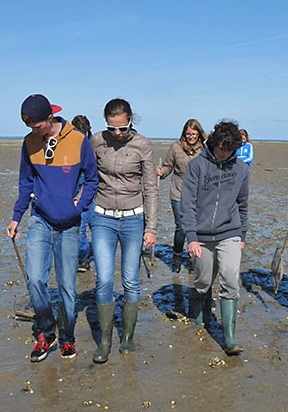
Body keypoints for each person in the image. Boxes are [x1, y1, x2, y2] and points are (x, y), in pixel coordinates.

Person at [7, 94, 98, 362]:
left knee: (68, 286)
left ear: (50, 117)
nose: (32, 130)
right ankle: (46, 332)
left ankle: (68, 338)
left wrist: (79, 205)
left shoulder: (79, 140)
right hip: (40, 220)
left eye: (36, 125)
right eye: (29, 126)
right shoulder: (29, 143)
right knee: (35, 279)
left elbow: (92, 180)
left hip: (69, 225)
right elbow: (26, 182)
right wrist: (16, 217)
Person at [89, 98, 158, 363]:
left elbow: (151, 188)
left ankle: (127, 337)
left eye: (122, 128)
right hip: (103, 218)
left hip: (133, 219)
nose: (117, 134)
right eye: (112, 128)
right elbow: (88, 177)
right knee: (104, 280)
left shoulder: (143, 145)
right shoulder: (96, 142)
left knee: (130, 280)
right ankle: (105, 341)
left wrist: (151, 228)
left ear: (131, 121)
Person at [181, 120, 249, 355]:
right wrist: (191, 237)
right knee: (202, 281)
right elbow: (187, 204)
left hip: (229, 232)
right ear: (213, 143)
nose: (225, 153)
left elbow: (243, 204)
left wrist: (243, 234)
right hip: (200, 234)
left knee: (230, 279)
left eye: (230, 150)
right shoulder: (197, 166)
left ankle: (229, 338)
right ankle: (202, 305)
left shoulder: (241, 168)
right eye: (222, 148)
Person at [157, 119, 206, 273]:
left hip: (199, 195)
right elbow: (168, 166)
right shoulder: (176, 148)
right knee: (182, 227)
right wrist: (161, 172)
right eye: (188, 134)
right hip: (178, 193)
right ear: (184, 133)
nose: (191, 137)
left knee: (197, 228)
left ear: (199, 134)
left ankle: (194, 259)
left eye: (194, 134)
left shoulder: (205, 149)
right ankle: (177, 257)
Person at [71, 114, 94, 273]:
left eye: (84, 132)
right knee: (80, 226)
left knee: (96, 224)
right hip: (75, 188)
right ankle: (83, 258)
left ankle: (100, 254)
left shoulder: (94, 145)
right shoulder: (68, 145)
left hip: (92, 188)